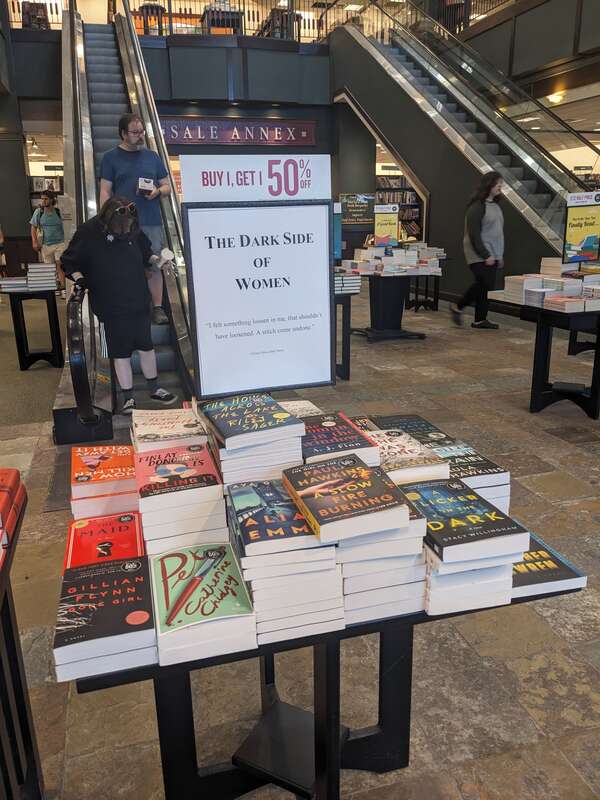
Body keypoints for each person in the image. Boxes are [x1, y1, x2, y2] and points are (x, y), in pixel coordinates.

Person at [61, 196, 177, 414]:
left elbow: (145, 253)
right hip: (109, 306)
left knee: (146, 346)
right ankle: (128, 397)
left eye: (131, 226)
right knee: (119, 351)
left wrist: (157, 260)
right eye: (123, 227)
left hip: (138, 300)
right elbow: (68, 261)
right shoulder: (89, 232)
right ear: (110, 220)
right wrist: (80, 279)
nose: (127, 230)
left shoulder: (133, 228)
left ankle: (155, 388)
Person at [99, 113, 170, 325]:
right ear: (123, 133)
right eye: (135, 132)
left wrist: (158, 191)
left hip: (150, 219)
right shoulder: (110, 158)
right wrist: (104, 219)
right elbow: (105, 190)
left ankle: (157, 307)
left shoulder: (153, 157)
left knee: (155, 263)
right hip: (123, 223)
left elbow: (167, 185)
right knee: (126, 264)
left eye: (142, 132)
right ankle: (131, 308)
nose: (140, 136)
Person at [451, 171, 504, 330]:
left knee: (486, 287)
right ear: (489, 185)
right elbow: (474, 234)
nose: (501, 187)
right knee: (483, 283)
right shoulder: (477, 207)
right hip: (478, 252)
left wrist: (498, 255)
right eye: (498, 184)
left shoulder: (495, 206)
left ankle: (480, 319)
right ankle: (458, 306)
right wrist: (485, 254)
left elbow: (496, 233)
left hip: (493, 253)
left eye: (501, 184)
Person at [30, 190, 66, 296]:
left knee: (59, 264)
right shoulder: (39, 212)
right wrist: (34, 241)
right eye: (42, 199)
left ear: (51, 199)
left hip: (60, 243)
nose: (43, 201)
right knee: (50, 268)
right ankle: (54, 288)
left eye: (45, 199)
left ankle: (63, 288)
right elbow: (33, 227)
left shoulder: (58, 212)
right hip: (45, 244)